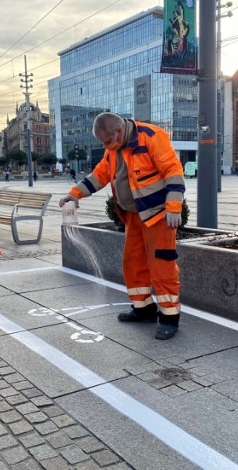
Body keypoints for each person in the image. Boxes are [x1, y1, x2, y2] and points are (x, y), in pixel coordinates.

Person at [59, 112, 185, 340]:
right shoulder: (113, 150)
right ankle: (143, 310)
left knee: (162, 267)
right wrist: (74, 194)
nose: (105, 147)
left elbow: (173, 171)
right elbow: (99, 176)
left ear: (118, 131)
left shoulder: (153, 137)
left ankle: (169, 318)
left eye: (106, 142)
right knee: (132, 262)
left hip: (158, 215)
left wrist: (174, 207)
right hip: (133, 216)